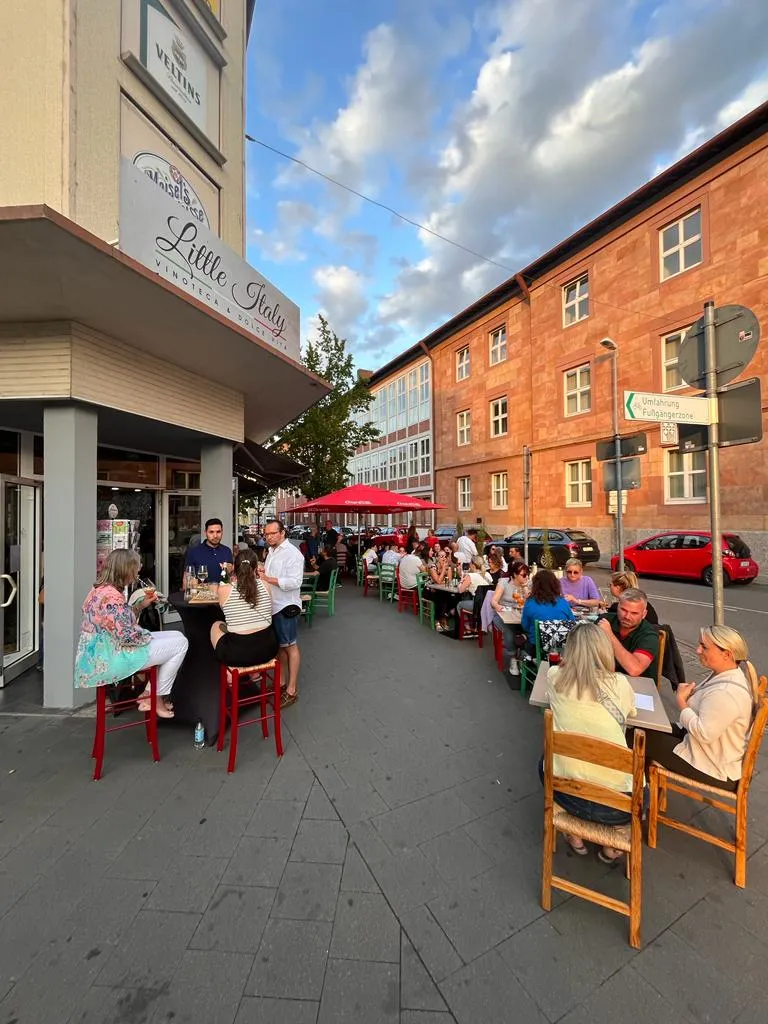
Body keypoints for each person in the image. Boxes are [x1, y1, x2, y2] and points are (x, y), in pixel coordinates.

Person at [542, 623, 637, 862]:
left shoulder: (554, 677)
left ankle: (573, 833)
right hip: (618, 804)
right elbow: (630, 713)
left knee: (543, 759)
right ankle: (613, 846)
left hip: (566, 793)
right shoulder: (620, 684)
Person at [638, 625, 760, 791]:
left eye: (704, 647)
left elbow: (703, 733)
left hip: (712, 765)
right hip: (703, 749)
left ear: (727, 654)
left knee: (636, 737)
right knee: (643, 726)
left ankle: (631, 796)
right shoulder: (724, 674)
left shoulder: (726, 693)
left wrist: (682, 702)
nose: (697, 650)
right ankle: (644, 790)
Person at [74, 549, 188, 717]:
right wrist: (147, 635)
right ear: (126, 569)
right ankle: (155, 697)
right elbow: (127, 636)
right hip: (113, 656)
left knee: (177, 637)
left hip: (101, 651)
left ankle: (149, 693)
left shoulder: (99, 590)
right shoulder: (112, 598)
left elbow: (118, 623)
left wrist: (141, 606)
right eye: (136, 567)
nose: (138, 570)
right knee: (181, 644)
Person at [259, 520, 304, 708]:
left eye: (272, 533)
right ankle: (281, 682)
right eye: (266, 534)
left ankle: (292, 690)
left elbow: (295, 582)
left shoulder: (293, 554)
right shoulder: (271, 551)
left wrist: (269, 578)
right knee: (279, 647)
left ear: (282, 533)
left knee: (290, 646)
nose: (269, 537)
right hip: (273, 605)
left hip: (286, 606)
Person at [210, 551, 278, 668]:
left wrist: (226, 573)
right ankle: (254, 673)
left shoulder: (224, 590)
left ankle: (230, 670)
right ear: (256, 568)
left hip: (238, 655)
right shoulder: (265, 585)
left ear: (235, 568)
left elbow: (223, 610)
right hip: (269, 650)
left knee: (217, 625)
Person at [598, 587, 660, 681]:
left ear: (644, 614)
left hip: (639, 686)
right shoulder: (605, 620)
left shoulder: (649, 635)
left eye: (634, 613)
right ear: (618, 607)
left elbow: (634, 669)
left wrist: (609, 635)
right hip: (605, 680)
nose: (627, 616)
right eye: (623, 610)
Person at [491, 560, 532, 674]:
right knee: (509, 629)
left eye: (527, 574)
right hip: (504, 614)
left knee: (531, 628)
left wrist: (525, 587)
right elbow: (494, 600)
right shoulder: (504, 582)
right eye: (523, 575)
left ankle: (525, 655)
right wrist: (497, 605)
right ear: (514, 574)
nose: (526, 577)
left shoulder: (529, 584)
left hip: (521, 615)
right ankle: (513, 657)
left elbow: (530, 601)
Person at [521, 569, 575, 638]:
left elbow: (525, 626)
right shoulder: (563, 602)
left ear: (535, 585)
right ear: (555, 585)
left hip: (537, 646)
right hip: (561, 645)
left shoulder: (530, 603)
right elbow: (572, 623)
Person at [187, 518, 234, 587]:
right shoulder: (193, 552)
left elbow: (231, 578)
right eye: (211, 532)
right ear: (205, 532)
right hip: (202, 595)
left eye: (218, 532)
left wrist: (230, 572)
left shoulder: (227, 551)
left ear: (222, 532)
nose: (215, 536)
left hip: (223, 594)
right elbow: (187, 580)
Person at [456, 557, 492, 631]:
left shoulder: (471, 576)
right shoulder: (488, 574)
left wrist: (461, 581)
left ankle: (468, 627)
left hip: (477, 605)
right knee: (467, 599)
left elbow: (460, 590)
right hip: (488, 604)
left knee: (459, 605)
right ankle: (478, 625)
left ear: (472, 565)